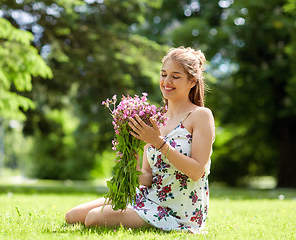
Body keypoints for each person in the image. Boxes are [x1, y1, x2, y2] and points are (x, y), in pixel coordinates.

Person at [64, 46, 215, 234]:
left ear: (192, 81)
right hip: (148, 197)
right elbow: (147, 178)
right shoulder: (156, 117)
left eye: (175, 77)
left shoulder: (200, 115)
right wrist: (129, 155)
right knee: (72, 216)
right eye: (163, 74)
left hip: (177, 211)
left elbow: (197, 171)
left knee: (94, 218)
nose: (167, 81)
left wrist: (158, 142)